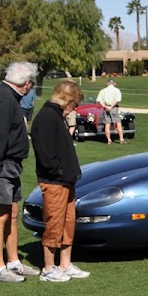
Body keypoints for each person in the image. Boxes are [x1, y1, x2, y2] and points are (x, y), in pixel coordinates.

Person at [0, 61, 41, 283]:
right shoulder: (4, 99)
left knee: (12, 212)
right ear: (28, 84)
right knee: (0, 215)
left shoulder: (7, 96)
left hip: (7, 164)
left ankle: (13, 262)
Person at [30, 80, 90, 282]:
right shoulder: (47, 117)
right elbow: (45, 153)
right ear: (67, 100)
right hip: (55, 181)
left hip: (66, 181)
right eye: (75, 105)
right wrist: (59, 172)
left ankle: (65, 264)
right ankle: (49, 268)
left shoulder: (55, 116)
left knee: (67, 224)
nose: (75, 109)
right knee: (54, 224)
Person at [96, 78, 125, 144]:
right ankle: (121, 139)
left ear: (107, 83)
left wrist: (106, 106)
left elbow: (100, 100)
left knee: (107, 124)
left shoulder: (102, 91)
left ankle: (109, 140)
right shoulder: (117, 90)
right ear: (114, 83)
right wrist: (111, 107)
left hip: (106, 108)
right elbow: (117, 100)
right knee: (118, 123)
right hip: (114, 108)